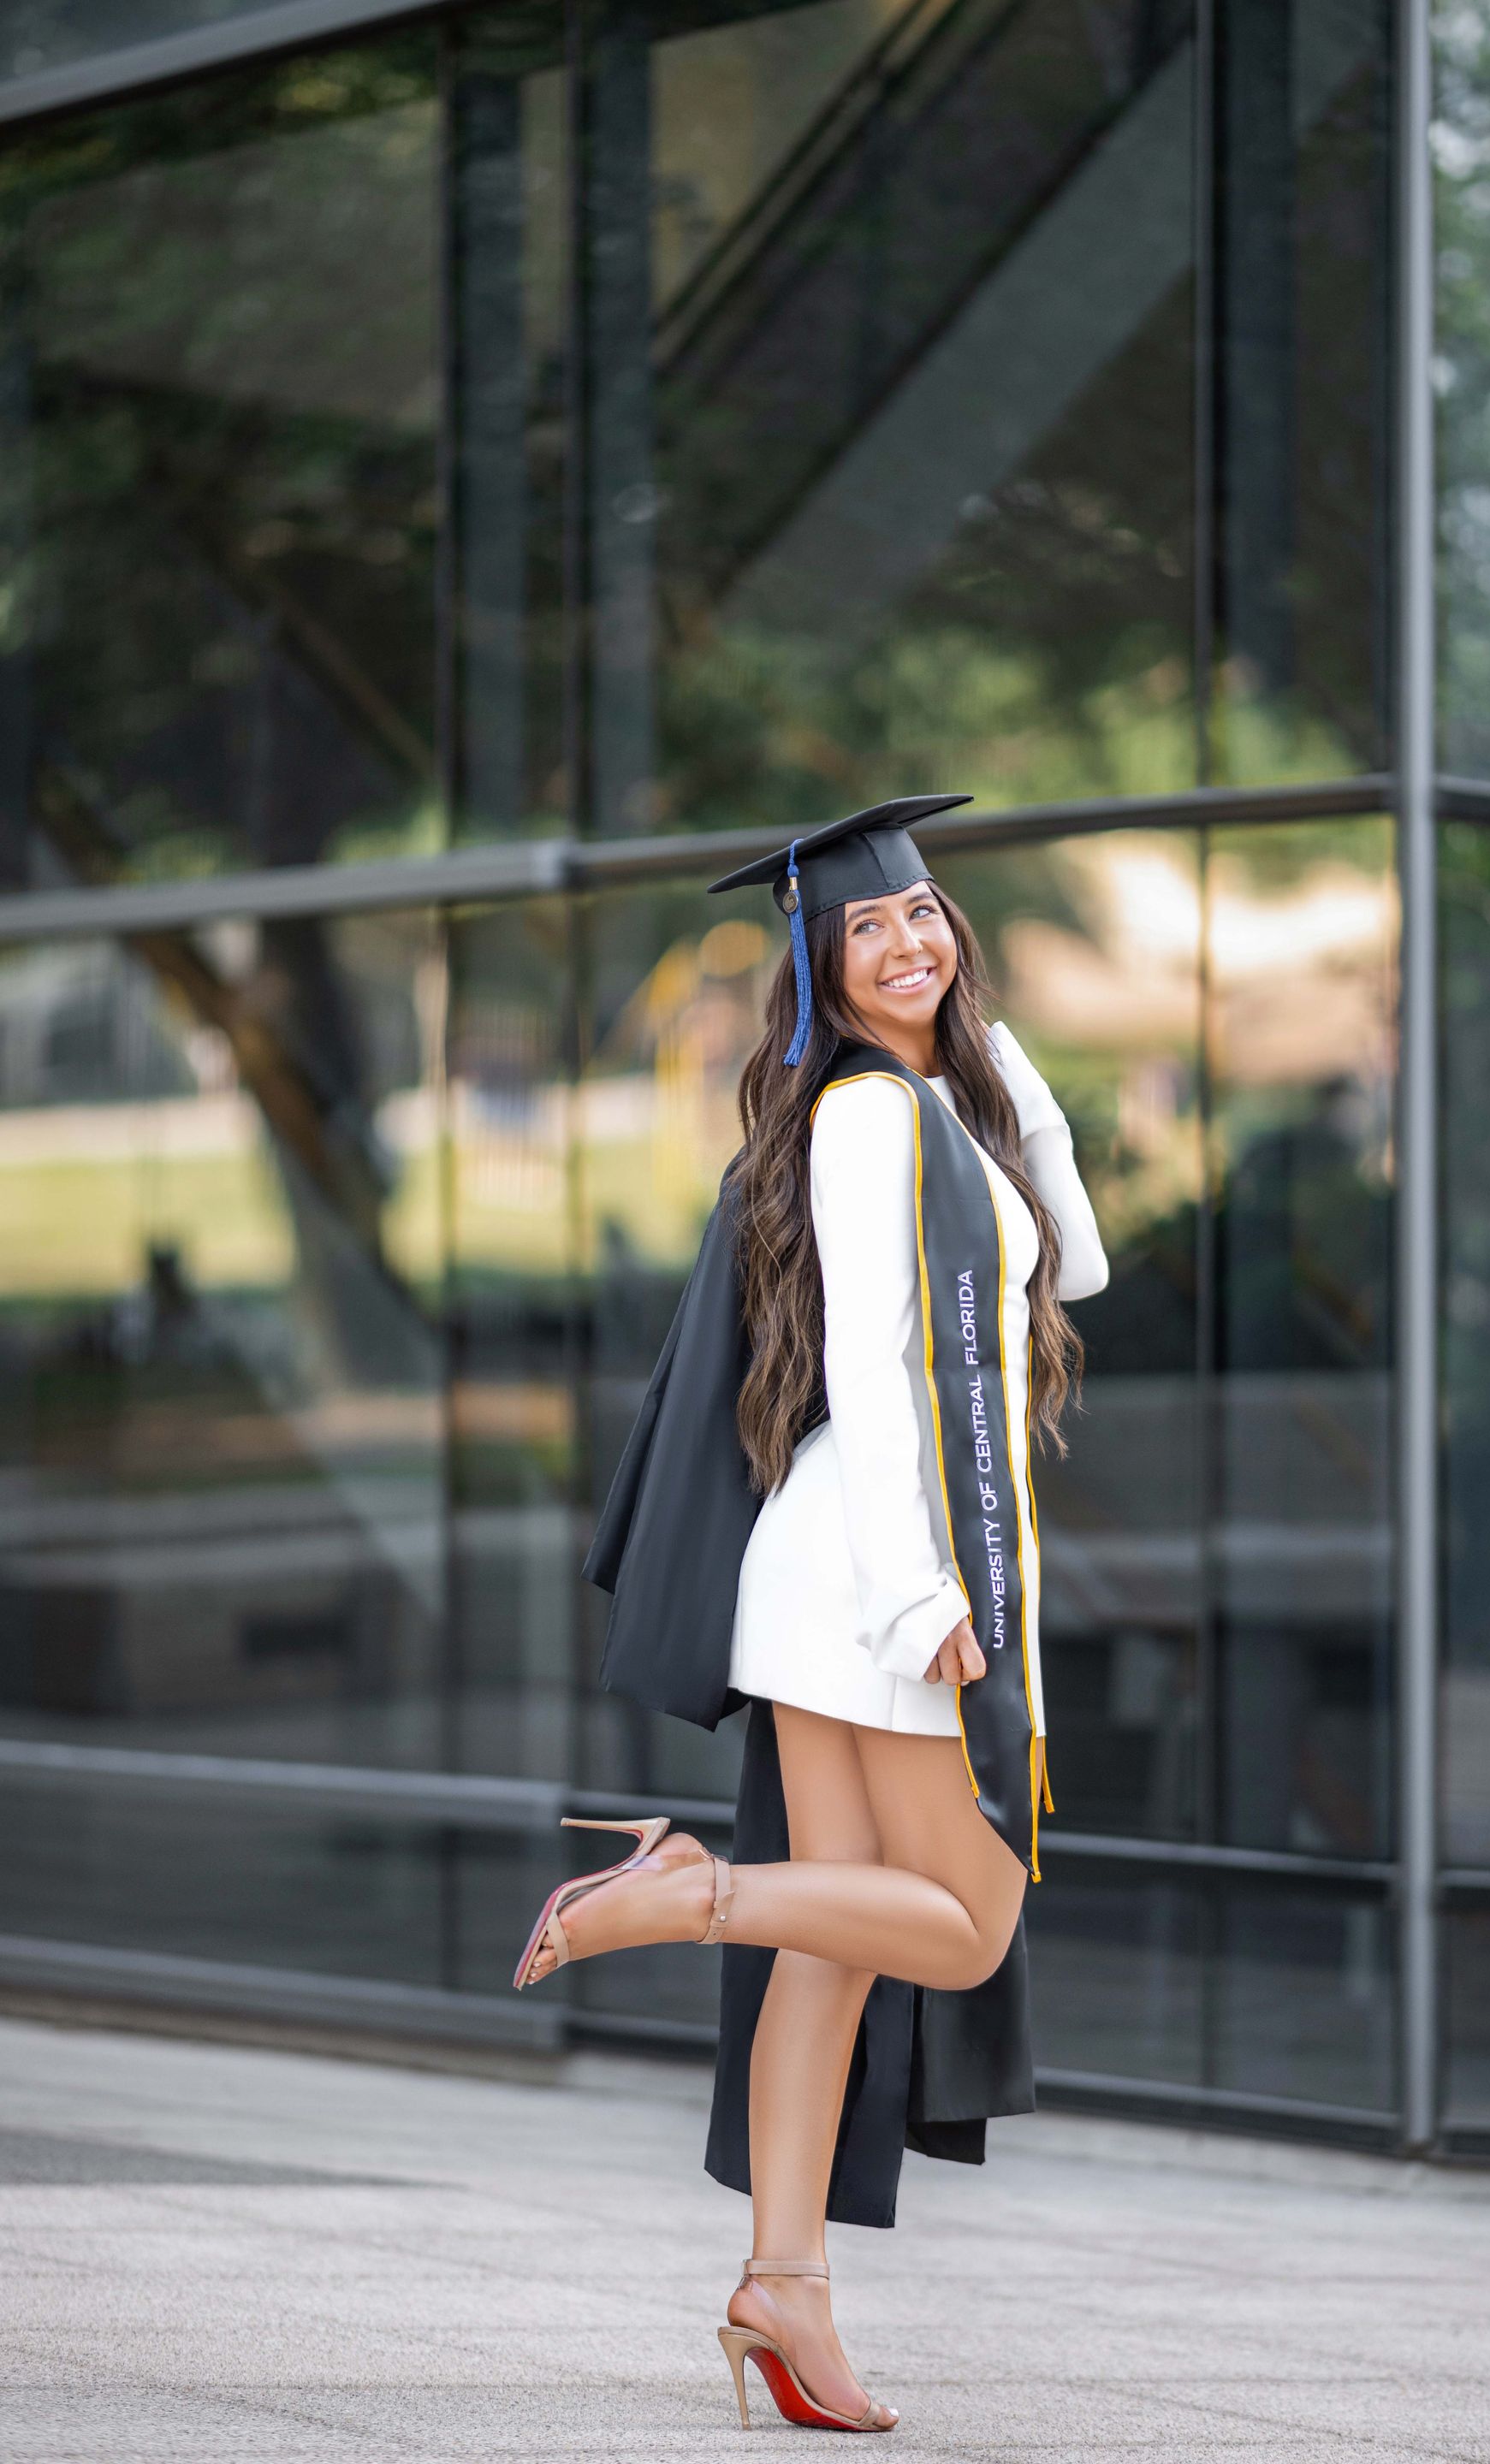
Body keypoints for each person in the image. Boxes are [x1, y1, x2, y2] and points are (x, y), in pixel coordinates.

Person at [513, 796, 1108, 2434]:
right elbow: (870, 1363)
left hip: (848, 1559)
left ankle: (785, 2285)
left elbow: (1081, 1268)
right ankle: (688, 1890)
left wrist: (1006, 1074)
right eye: (870, 928)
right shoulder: (861, 1120)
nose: (910, 939)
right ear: (822, 966)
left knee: (838, 1950)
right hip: (868, 1562)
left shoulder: (929, 1108)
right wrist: (925, 1590)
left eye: (926, 915)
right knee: (968, 1917)